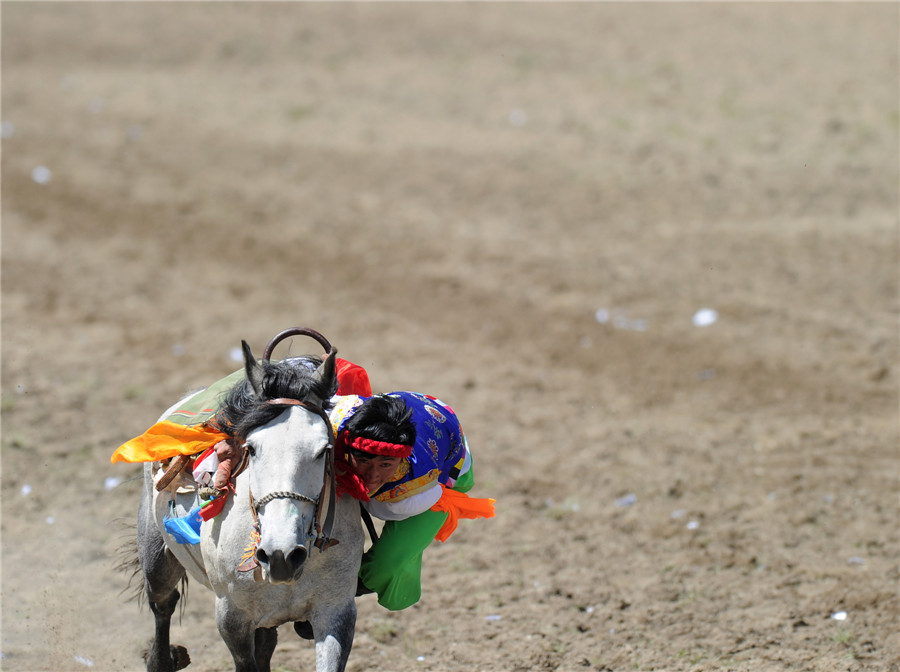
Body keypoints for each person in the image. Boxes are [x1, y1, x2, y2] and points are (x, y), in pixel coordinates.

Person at [328, 391, 495, 611]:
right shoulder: (334, 428)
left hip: (444, 473)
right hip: (406, 417)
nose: (372, 476)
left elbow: (381, 497)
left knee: (388, 565)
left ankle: (350, 591)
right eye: (364, 461)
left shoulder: (418, 486)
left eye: (385, 465)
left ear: (402, 459)